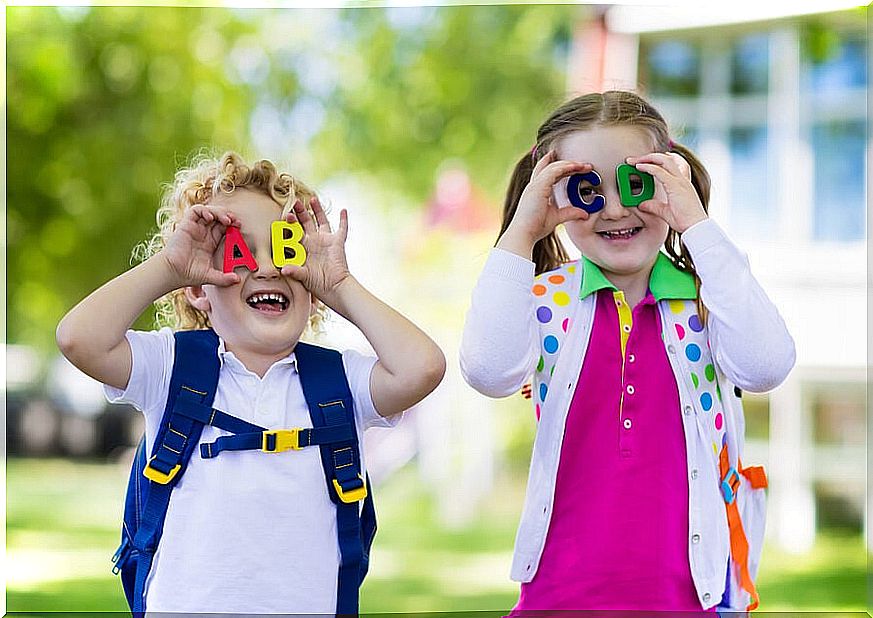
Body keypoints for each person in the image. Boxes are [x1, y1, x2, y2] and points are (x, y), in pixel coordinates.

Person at [56, 151, 446, 614]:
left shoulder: (340, 381)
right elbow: (78, 338)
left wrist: (339, 285)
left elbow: (422, 367)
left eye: (286, 249)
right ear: (200, 288)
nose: (268, 268)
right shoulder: (170, 369)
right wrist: (169, 267)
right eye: (239, 250)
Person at [459, 91, 795, 612]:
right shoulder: (546, 302)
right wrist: (522, 232)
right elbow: (487, 371)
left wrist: (698, 226)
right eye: (586, 189)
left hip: (692, 597)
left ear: (670, 180)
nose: (615, 208)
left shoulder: (709, 301)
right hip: (558, 596)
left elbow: (767, 366)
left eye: (637, 184)